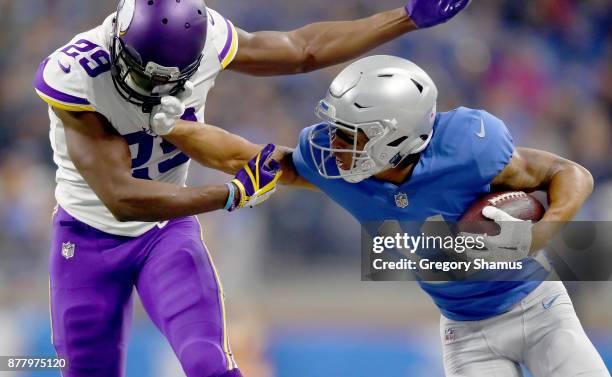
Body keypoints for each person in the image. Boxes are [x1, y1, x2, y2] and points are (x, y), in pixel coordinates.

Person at [34, 0, 471, 375]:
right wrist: (229, 194)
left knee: (209, 363)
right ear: (118, 45)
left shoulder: (204, 37)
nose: (161, 90)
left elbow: (302, 49)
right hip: (88, 237)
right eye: (148, 78)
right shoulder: (77, 72)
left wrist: (406, 17)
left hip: (164, 232)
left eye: (174, 80)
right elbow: (121, 198)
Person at [158, 55, 610, 376]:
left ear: (397, 137)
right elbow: (246, 158)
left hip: (540, 309)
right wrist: (170, 126)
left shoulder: (469, 146)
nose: (333, 143)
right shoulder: (330, 164)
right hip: (465, 331)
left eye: (350, 134)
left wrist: (541, 234)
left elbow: (571, 174)